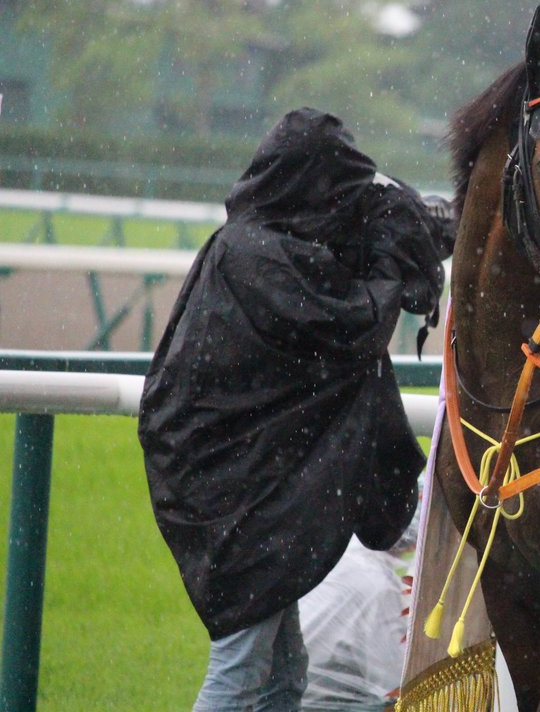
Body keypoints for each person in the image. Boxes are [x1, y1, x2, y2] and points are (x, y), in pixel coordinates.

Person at [138, 107, 453, 711]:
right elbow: (350, 324)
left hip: (240, 493)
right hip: (237, 499)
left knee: (284, 673)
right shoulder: (257, 257)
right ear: (314, 184)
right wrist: (396, 257)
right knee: (240, 669)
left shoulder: (260, 243)